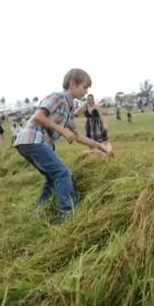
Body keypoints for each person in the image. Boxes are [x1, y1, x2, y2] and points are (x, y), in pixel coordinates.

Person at [13, 68, 114, 218]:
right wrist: (62, 130)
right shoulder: (58, 97)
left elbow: (77, 136)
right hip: (33, 139)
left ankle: (40, 212)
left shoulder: (69, 107)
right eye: (84, 87)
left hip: (30, 143)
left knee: (51, 177)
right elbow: (38, 116)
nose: (86, 92)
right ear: (72, 84)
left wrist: (101, 146)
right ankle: (69, 215)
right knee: (62, 172)